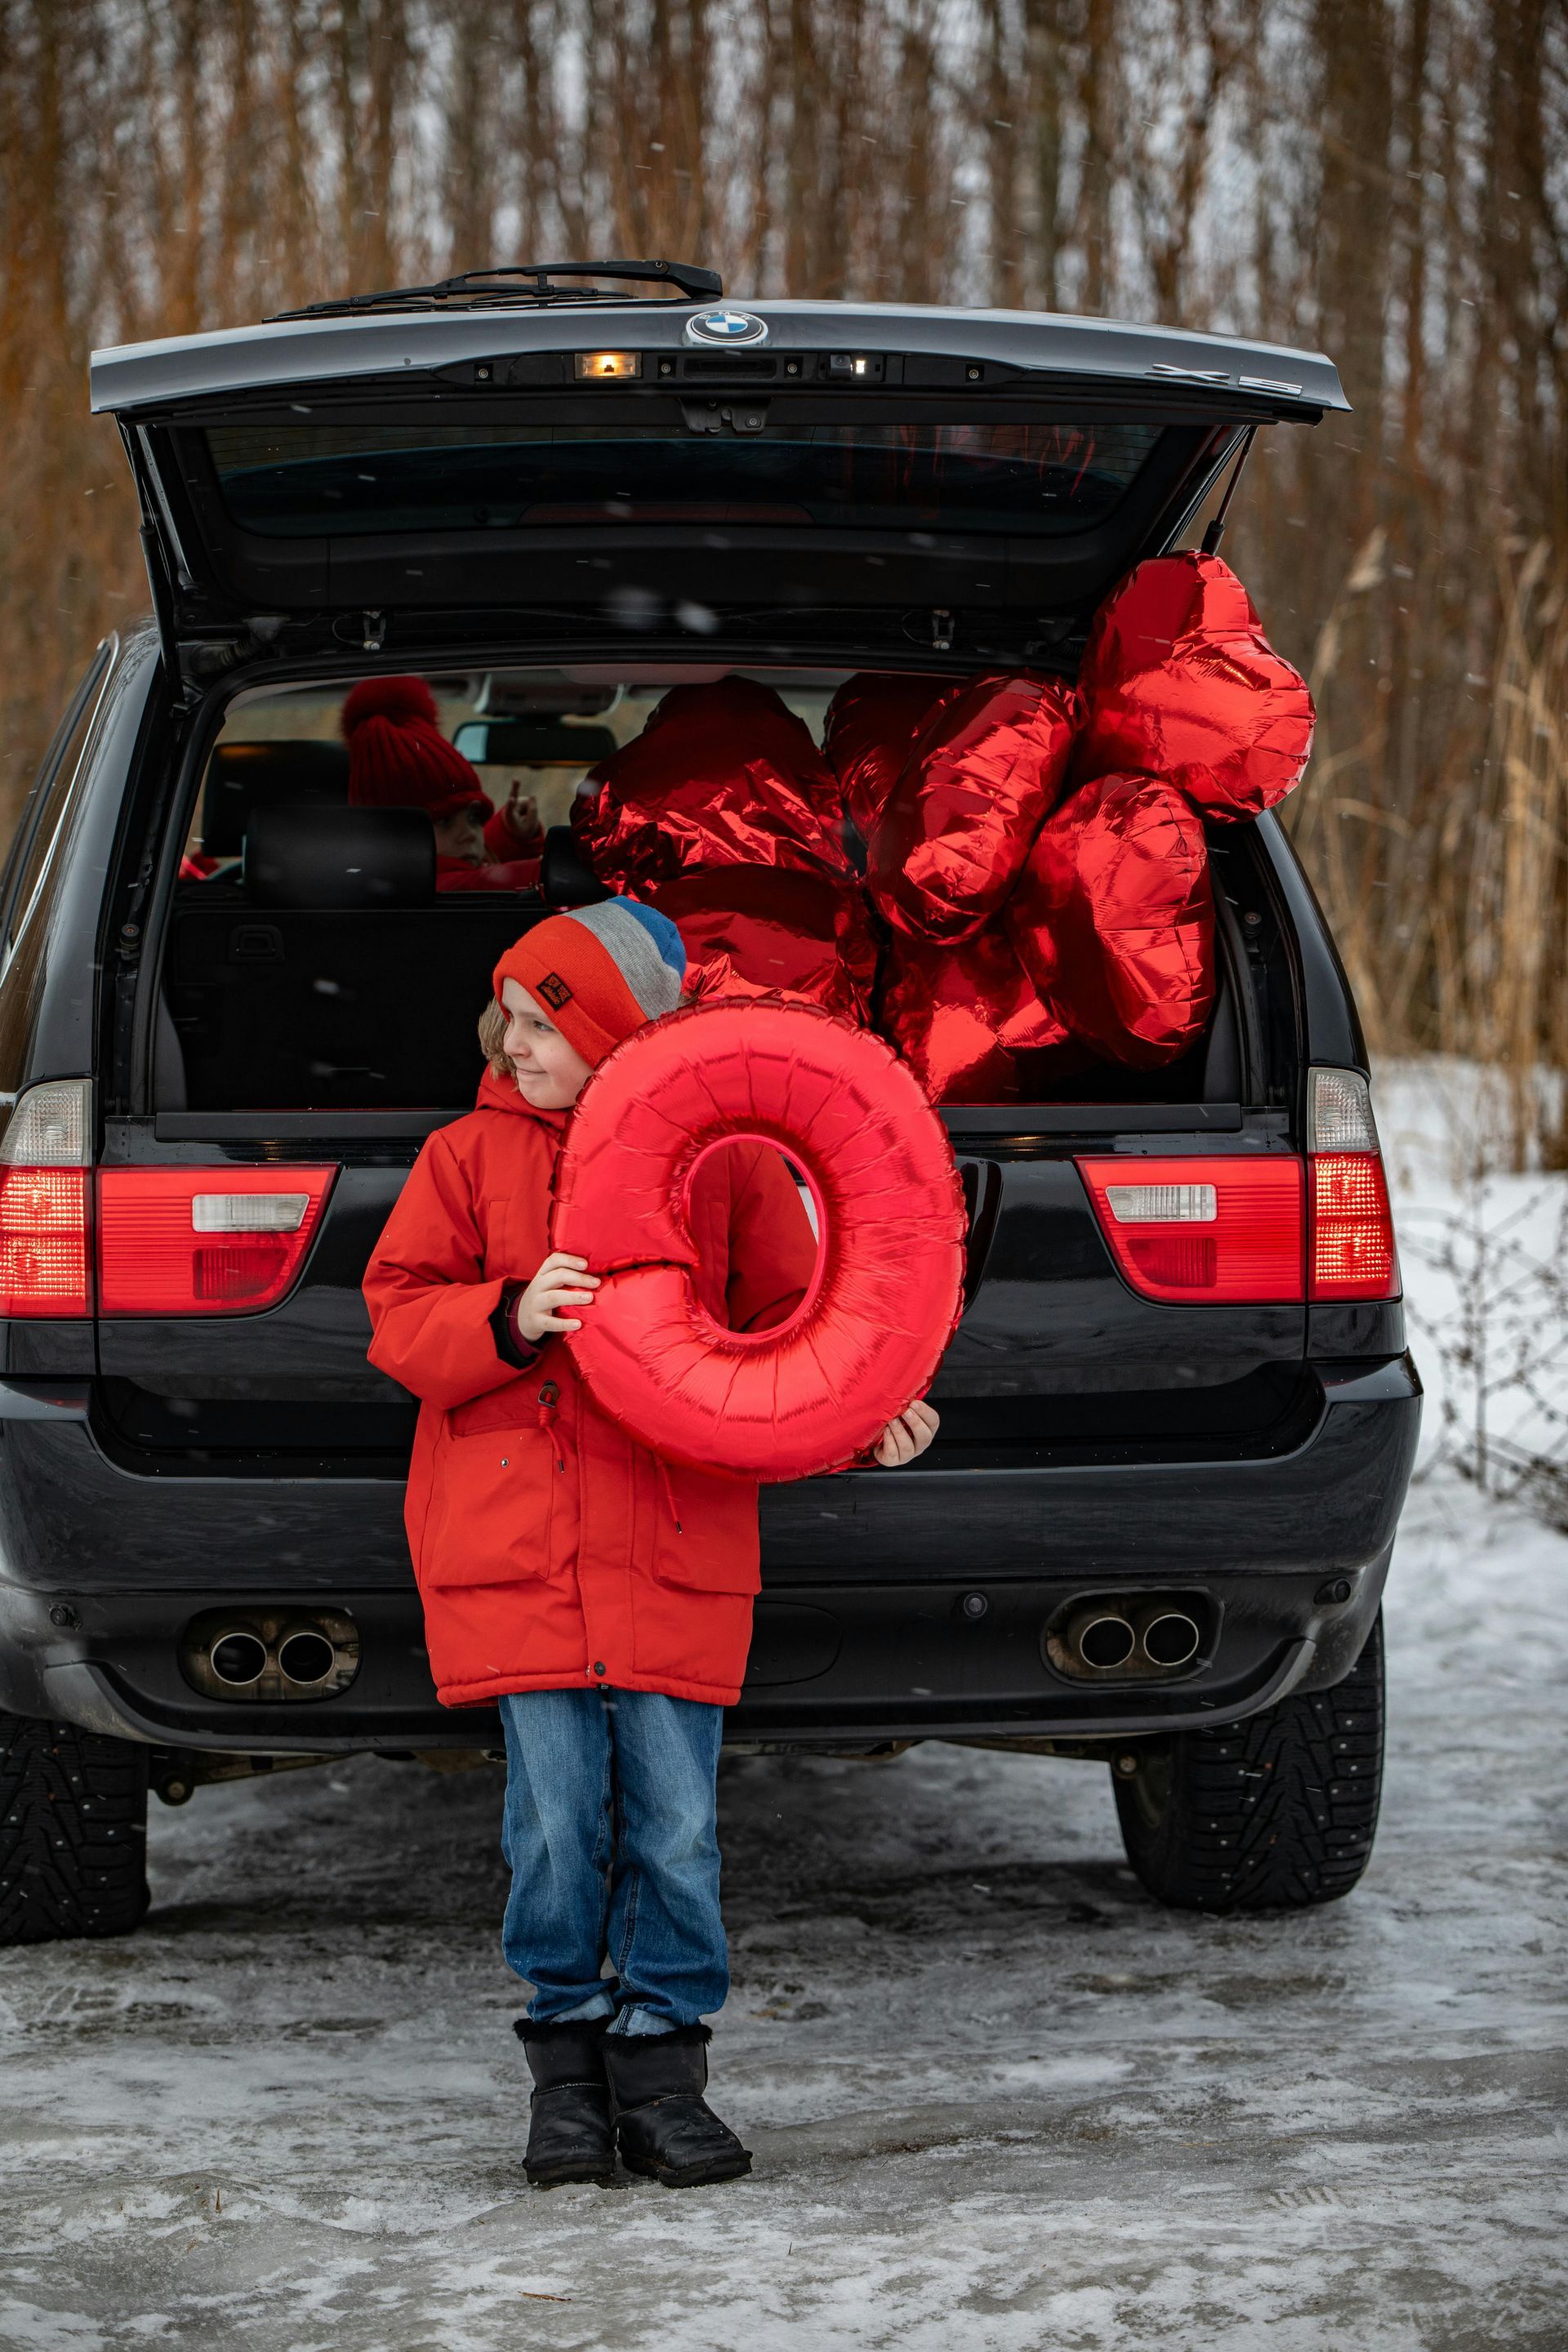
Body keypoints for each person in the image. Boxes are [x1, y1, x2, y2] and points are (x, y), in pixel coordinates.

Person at [361, 899, 938, 2190]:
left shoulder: (722, 1165)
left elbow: (805, 1331)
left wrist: (868, 1415)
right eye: (505, 1017)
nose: (514, 1044)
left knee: (675, 1828)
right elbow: (399, 1321)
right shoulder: (464, 1158)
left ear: (616, 1030)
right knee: (557, 1826)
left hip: (674, 1544)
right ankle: (565, 2072)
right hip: (518, 1550)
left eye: (541, 1022)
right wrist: (508, 1316)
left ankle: (665, 2069)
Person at [341, 675, 544, 889]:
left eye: (474, 818)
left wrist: (509, 834)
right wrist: (561, 867)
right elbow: (472, 882)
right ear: (394, 837)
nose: (470, 835)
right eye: (444, 821)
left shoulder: (401, 881)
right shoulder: (426, 889)